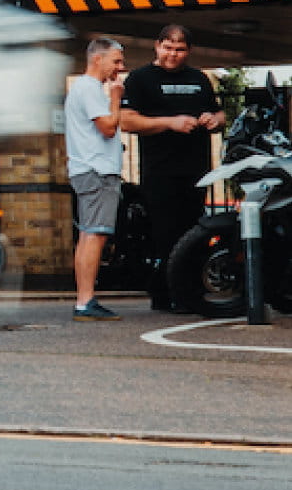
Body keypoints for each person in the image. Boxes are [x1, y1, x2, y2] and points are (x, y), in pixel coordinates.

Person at [122, 24, 222, 311]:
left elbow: (219, 113)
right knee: (166, 234)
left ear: (188, 51)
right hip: (160, 172)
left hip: (197, 170)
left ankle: (190, 292)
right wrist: (170, 123)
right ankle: (167, 294)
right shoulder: (140, 78)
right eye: (168, 48)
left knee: (195, 233)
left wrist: (215, 119)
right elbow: (126, 120)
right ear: (157, 46)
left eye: (180, 49)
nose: (173, 54)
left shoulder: (199, 78)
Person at [67, 37, 127, 321]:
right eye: (116, 61)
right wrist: (116, 98)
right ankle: (85, 301)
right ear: (97, 59)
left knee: (88, 234)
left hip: (88, 170)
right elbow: (107, 127)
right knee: (94, 235)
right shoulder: (89, 89)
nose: (120, 67)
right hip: (97, 171)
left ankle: (84, 299)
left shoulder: (82, 89)